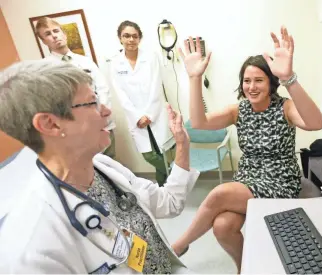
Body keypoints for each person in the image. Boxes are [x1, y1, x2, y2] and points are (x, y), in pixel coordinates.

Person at [0, 60, 199, 274]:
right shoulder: (33, 248)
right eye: (92, 102)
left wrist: (182, 145)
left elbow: (169, 203)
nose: (105, 111)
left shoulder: (103, 168)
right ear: (50, 124)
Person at [171, 26, 322, 272]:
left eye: (259, 80)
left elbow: (316, 123)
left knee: (219, 194)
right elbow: (199, 123)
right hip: (248, 178)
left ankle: (177, 247)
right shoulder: (238, 110)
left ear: (272, 83)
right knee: (222, 227)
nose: (251, 87)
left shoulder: (285, 108)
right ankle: (245, 268)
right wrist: (194, 78)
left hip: (281, 180)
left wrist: (290, 78)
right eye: (247, 81)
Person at [34, 17, 117, 159]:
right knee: (89, 168)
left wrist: (101, 115)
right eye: (47, 34)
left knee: (111, 162)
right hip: (76, 131)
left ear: (64, 34)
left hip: (102, 124)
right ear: (43, 41)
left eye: (56, 31)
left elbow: (103, 88)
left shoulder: (85, 61)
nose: (54, 35)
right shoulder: (44, 69)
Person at [109, 20, 174, 186]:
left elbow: (156, 86)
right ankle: (175, 175)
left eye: (134, 36)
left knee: (163, 150)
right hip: (135, 117)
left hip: (156, 114)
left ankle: (163, 185)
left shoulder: (151, 58)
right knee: (149, 154)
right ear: (120, 38)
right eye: (126, 36)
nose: (131, 39)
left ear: (139, 38)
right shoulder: (115, 63)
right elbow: (121, 94)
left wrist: (150, 114)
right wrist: (137, 116)